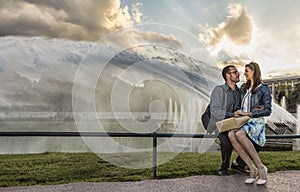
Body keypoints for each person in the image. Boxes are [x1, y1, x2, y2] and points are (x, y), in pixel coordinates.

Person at [228, 62, 272, 185]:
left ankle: (261, 167)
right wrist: (237, 112)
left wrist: (249, 113)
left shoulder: (264, 88)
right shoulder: (243, 88)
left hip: (255, 121)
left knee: (240, 135)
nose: (244, 73)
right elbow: (240, 104)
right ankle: (252, 168)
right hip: (243, 120)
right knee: (231, 134)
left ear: (254, 72)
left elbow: (268, 110)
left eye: (247, 71)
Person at [209, 65, 247, 176]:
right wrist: (232, 114)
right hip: (223, 125)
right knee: (226, 144)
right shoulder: (219, 90)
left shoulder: (240, 91)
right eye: (235, 72)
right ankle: (224, 167)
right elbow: (214, 111)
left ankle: (239, 164)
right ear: (227, 76)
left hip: (237, 124)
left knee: (254, 141)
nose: (238, 74)